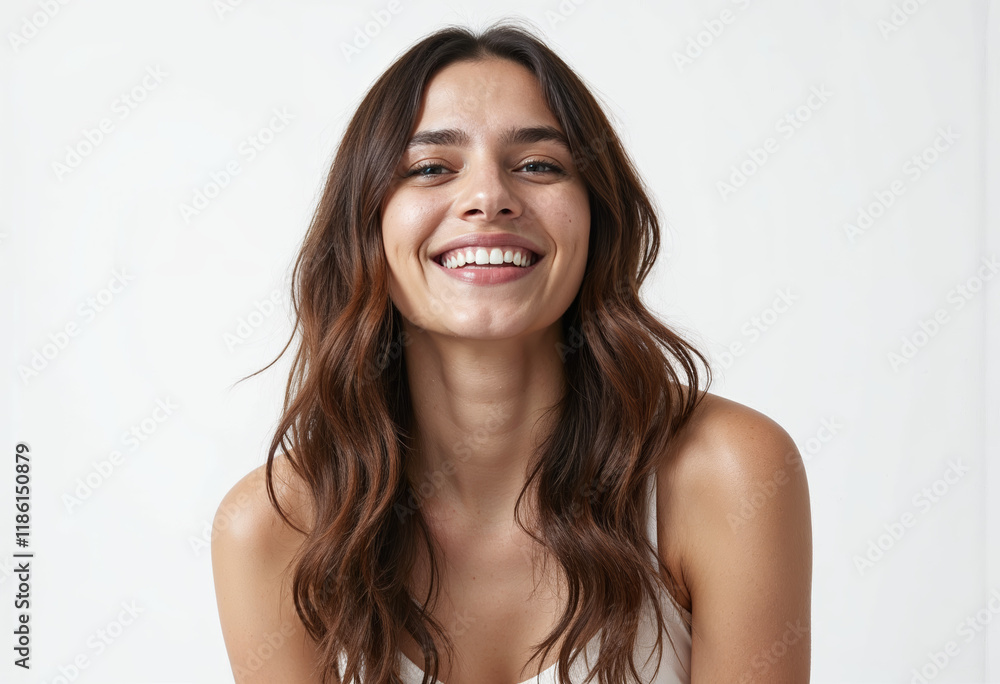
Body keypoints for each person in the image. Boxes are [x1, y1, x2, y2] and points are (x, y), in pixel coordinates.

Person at [211, 19, 812, 684]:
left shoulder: (725, 472)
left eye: (538, 165)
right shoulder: (270, 529)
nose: (488, 198)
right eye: (431, 168)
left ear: (597, 218)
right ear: (366, 228)